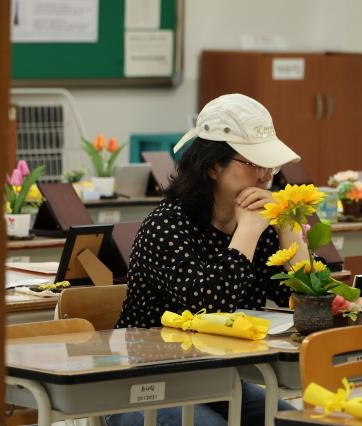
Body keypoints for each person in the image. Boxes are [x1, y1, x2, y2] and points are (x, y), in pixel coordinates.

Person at [106, 93, 309, 426]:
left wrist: (288, 227)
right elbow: (209, 308)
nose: (264, 177)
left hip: (216, 379)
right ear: (214, 166)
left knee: (298, 422)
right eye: (254, 164)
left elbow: (313, 305)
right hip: (141, 382)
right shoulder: (167, 225)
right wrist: (246, 232)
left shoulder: (260, 226)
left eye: (269, 166)